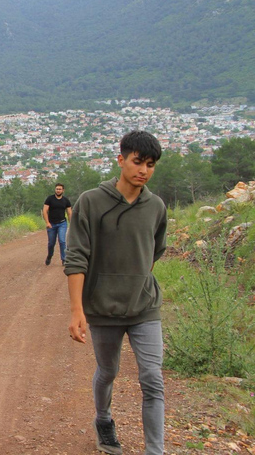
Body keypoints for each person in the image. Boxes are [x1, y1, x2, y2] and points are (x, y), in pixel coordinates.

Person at [66, 130, 167, 455]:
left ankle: (156, 450)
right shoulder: (91, 202)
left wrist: (135, 280)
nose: (144, 171)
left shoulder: (156, 207)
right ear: (121, 159)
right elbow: (76, 257)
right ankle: (104, 420)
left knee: (152, 378)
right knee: (108, 371)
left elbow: (153, 253)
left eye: (150, 165)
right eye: (138, 162)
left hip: (144, 307)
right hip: (103, 309)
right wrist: (77, 310)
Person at [42, 183, 72, 265]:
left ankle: (64, 259)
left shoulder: (66, 200)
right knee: (51, 243)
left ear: (63, 190)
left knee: (62, 241)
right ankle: (49, 256)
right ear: (55, 190)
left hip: (62, 223)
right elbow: (45, 211)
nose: (58, 190)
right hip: (51, 224)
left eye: (60, 189)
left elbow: (69, 213)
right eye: (57, 189)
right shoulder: (50, 199)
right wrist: (47, 222)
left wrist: (71, 223)